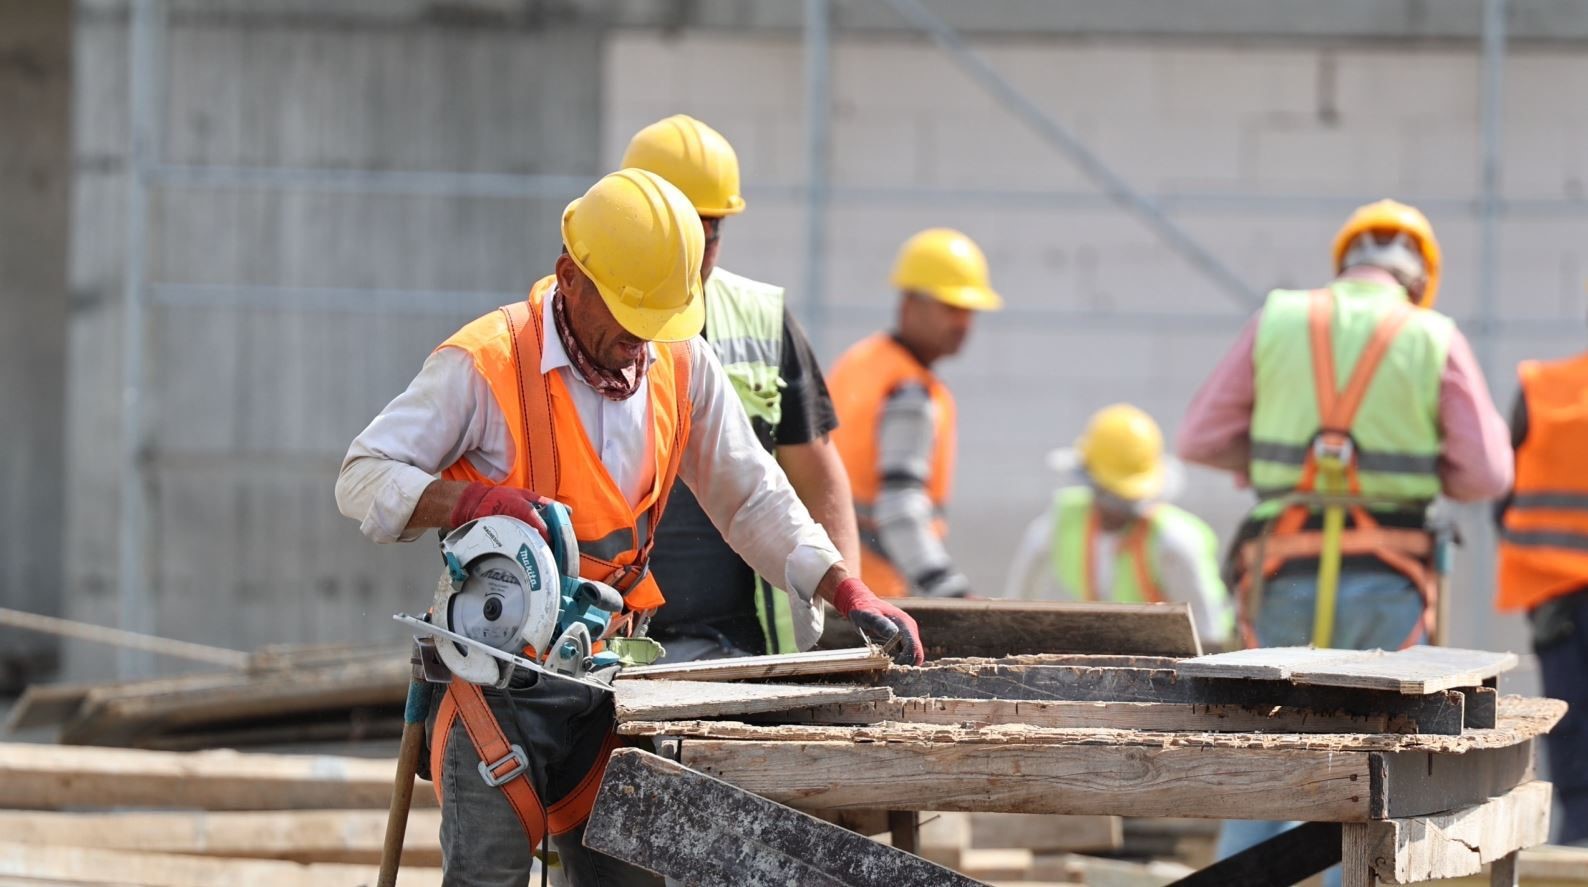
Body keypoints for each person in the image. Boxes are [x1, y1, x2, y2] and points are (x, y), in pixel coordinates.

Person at [334, 168, 922, 887]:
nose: (639, 338)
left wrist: (841, 583)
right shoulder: (486, 362)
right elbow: (361, 475)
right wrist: (469, 504)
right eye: (625, 313)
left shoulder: (680, 363)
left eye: (655, 319)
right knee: (485, 876)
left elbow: (752, 496)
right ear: (569, 278)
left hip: (615, 686)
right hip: (495, 683)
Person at [1176, 198, 1512, 877]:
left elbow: (1199, 438)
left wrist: (1283, 471)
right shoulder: (1431, 333)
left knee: (1265, 751)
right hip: (1389, 573)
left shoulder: (1280, 317)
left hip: (1285, 568)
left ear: (1345, 264)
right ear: (1420, 276)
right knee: (1370, 765)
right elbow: (1488, 473)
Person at [621, 114, 860, 661]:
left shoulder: (761, 320)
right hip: (612, 640)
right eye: (685, 229)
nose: (702, 248)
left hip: (743, 646)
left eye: (716, 230)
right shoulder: (584, 322)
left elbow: (816, 472)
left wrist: (847, 607)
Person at [828, 228, 1002, 599]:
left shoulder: (862, 362)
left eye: (969, 311)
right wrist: (952, 596)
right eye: (951, 308)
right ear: (909, 303)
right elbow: (900, 512)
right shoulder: (908, 392)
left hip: (836, 585)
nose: (964, 323)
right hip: (874, 594)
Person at [1004, 404, 1233, 646]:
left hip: (1170, 661)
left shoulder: (1173, 540)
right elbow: (1015, 608)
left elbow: (1210, 634)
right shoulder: (1062, 523)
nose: (1119, 507)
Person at [1496, 346, 1588, 845]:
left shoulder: (1544, 389)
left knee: (1576, 743)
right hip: (1561, 602)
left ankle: (1578, 852)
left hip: (1559, 601)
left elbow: (1503, 497)